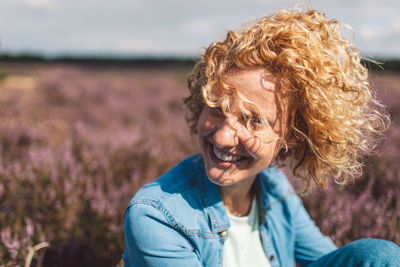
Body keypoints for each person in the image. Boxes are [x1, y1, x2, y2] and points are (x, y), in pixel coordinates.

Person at [123, 5, 400, 267]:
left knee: (378, 256)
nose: (222, 138)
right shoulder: (156, 216)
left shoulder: (273, 187)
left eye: (252, 121)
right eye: (217, 109)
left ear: (292, 135)